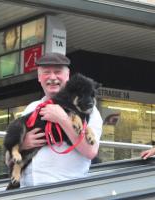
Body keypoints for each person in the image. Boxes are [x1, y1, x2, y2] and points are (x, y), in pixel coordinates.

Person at [19, 52, 103, 187]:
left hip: (65, 191)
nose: (52, 77)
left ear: (67, 76)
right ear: (39, 77)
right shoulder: (31, 108)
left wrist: (62, 119)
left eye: (57, 72)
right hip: (27, 191)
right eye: (46, 72)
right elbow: (10, 158)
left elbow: (91, 151)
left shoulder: (87, 109)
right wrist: (23, 144)